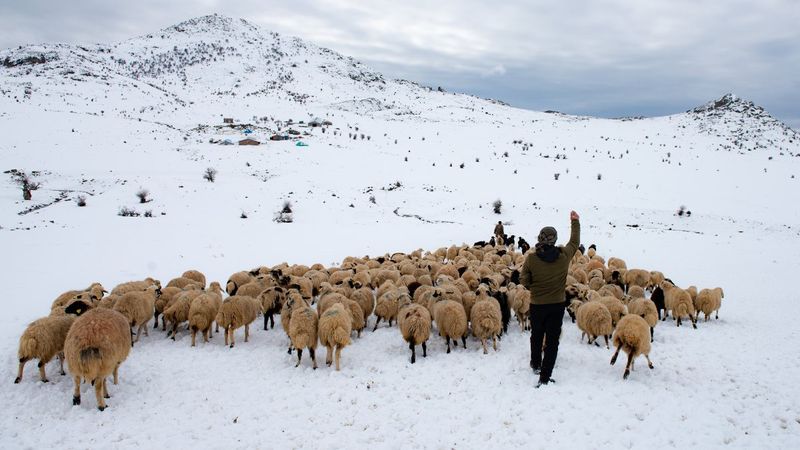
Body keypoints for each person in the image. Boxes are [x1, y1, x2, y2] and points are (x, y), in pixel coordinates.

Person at [520, 210, 580, 388]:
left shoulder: (531, 259)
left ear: (540, 238)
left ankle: (535, 363)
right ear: (554, 240)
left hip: (537, 305)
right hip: (557, 305)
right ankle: (545, 376)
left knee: (536, 334)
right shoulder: (563, 256)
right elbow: (574, 242)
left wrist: (534, 288)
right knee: (552, 340)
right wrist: (575, 222)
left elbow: (524, 280)